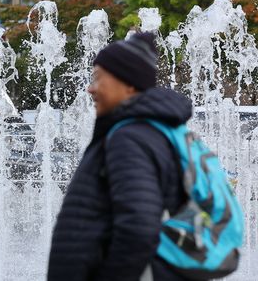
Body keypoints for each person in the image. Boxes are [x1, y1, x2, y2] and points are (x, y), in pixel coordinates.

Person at [48, 33, 192, 281]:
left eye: (98, 79)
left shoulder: (130, 138)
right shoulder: (148, 131)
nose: (90, 88)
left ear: (129, 84)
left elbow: (139, 227)